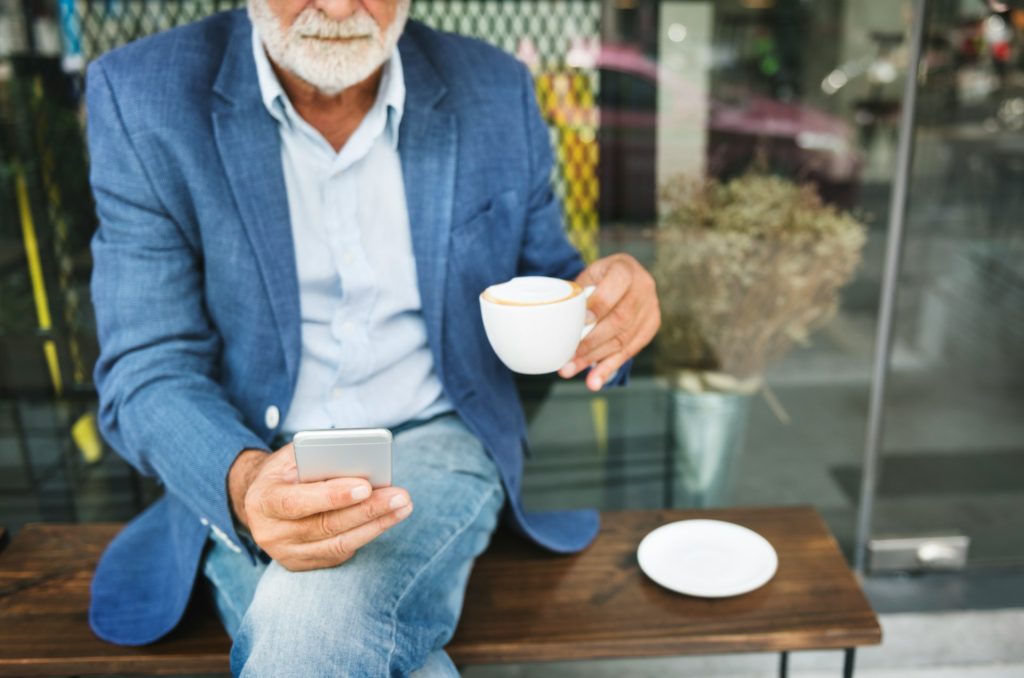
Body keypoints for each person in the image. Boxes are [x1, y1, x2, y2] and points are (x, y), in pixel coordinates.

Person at [85, 0, 660, 674]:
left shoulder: (494, 88)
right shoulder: (142, 95)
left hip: (434, 439)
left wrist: (609, 306)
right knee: (328, 635)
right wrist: (245, 486)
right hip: (258, 452)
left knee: (315, 615)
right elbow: (147, 367)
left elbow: (551, 283)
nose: (334, 6)